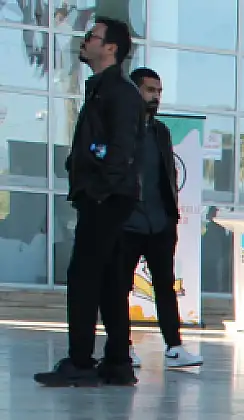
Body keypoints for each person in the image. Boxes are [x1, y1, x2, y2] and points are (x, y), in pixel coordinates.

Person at [35, 18, 145, 388]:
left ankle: (81, 361)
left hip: (107, 200)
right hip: (106, 197)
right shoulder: (102, 90)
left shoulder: (120, 93)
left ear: (110, 48)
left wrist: (98, 191)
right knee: (111, 281)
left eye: (92, 37)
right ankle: (117, 362)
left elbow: (122, 151)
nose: (85, 42)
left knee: (83, 277)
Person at [117, 68, 201, 372]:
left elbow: (169, 175)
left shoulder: (161, 132)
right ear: (135, 91)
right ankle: (122, 347)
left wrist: (170, 216)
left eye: (159, 92)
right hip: (127, 224)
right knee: (120, 287)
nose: (155, 97)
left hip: (160, 224)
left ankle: (174, 347)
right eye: (150, 90)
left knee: (165, 287)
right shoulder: (121, 129)